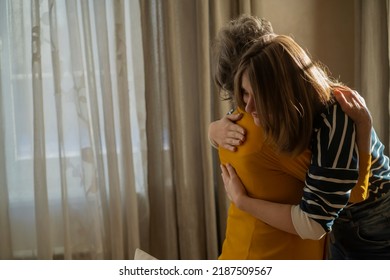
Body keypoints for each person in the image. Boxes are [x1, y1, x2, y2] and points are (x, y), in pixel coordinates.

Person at [220, 32, 390, 259]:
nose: (248, 108)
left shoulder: (337, 118)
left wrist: (243, 201)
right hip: (343, 215)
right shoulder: (285, 109)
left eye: (257, 96)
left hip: (375, 217)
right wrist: (214, 130)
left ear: (283, 92)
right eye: (244, 92)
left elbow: (315, 223)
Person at [210, 14, 328, 260]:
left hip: (239, 249)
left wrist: (211, 131)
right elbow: (343, 196)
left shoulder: (233, 122)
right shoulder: (271, 131)